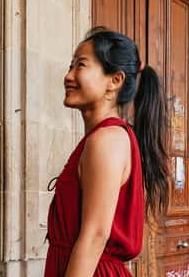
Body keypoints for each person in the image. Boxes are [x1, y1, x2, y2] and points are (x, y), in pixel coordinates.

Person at [45, 29, 170, 277]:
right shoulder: (104, 138)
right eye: (70, 66)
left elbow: (94, 237)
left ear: (115, 80)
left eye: (80, 65)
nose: (68, 76)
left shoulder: (107, 140)